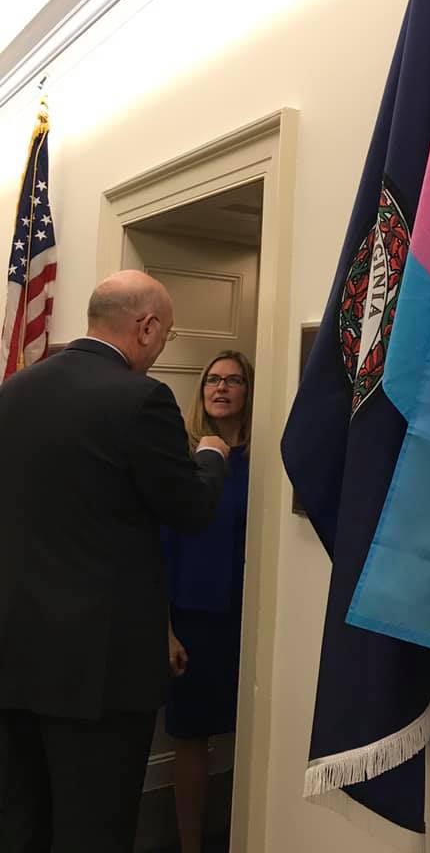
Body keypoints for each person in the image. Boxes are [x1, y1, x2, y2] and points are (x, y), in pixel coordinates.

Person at [0, 270, 230, 853]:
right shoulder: (141, 398)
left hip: (15, 658)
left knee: (21, 823)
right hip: (99, 676)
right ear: (146, 326)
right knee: (94, 830)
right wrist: (210, 456)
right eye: (167, 334)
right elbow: (190, 509)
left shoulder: (14, 391)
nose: (161, 346)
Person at [162, 351, 254, 853]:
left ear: (248, 391)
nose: (220, 388)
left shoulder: (266, 460)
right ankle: (191, 845)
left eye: (233, 380)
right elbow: (161, 546)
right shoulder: (184, 460)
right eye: (212, 380)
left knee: (253, 733)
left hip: (251, 616)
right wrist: (166, 628)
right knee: (192, 737)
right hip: (192, 617)